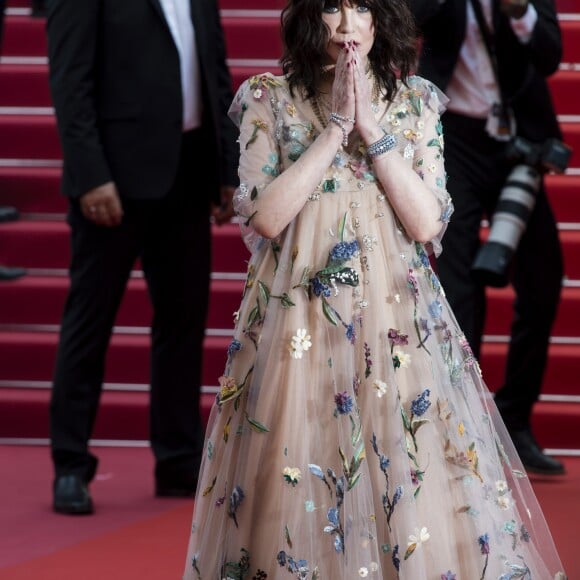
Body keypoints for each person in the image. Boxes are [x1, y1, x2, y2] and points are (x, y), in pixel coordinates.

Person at [182, 0, 567, 577]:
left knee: (408, 463)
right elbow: (266, 217)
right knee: (298, 458)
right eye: (330, 9)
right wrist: (335, 129)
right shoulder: (269, 97)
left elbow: (427, 224)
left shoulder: (415, 100)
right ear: (309, 20)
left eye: (359, 8)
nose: (344, 25)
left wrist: (371, 130)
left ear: (380, 20)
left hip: (397, 315)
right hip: (301, 320)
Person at [45, 0, 239, 515]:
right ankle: (69, 464)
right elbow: (69, 79)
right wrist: (89, 175)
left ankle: (177, 458)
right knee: (91, 319)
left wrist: (227, 168)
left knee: (183, 320)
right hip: (113, 179)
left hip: (187, 173)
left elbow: (213, 68)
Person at [408, 0, 566, 476]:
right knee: (458, 286)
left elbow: (551, 56)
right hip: (454, 138)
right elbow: (407, 22)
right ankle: (464, 425)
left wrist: (520, 11)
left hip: (519, 142)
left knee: (543, 280)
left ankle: (515, 421)